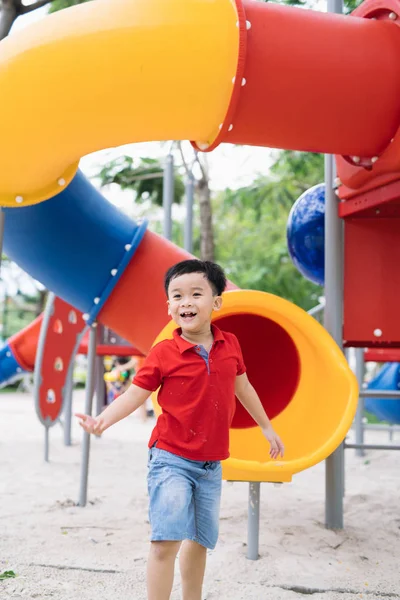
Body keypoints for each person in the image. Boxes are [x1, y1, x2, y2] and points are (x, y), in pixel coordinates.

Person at [76, 259, 284, 600]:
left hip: (210, 464)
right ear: (169, 306)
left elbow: (244, 388)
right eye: (177, 296)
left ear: (216, 301)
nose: (186, 302)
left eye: (196, 294)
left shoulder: (230, 344)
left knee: (200, 541)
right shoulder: (163, 353)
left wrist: (267, 427)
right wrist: (103, 421)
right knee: (165, 541)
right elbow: (134, 395)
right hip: (170, 458)